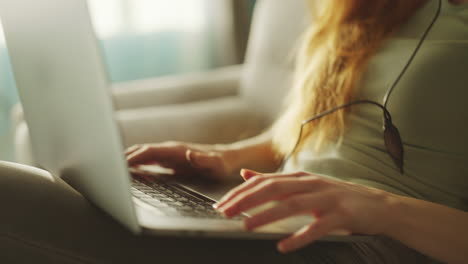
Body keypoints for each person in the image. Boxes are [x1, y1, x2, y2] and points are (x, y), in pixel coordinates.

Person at [1, 0, 467, 263]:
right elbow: (318, 129)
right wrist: (226, 156)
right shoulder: (365, 9)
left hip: (373, 247)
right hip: (284, 220)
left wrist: (381, 208)